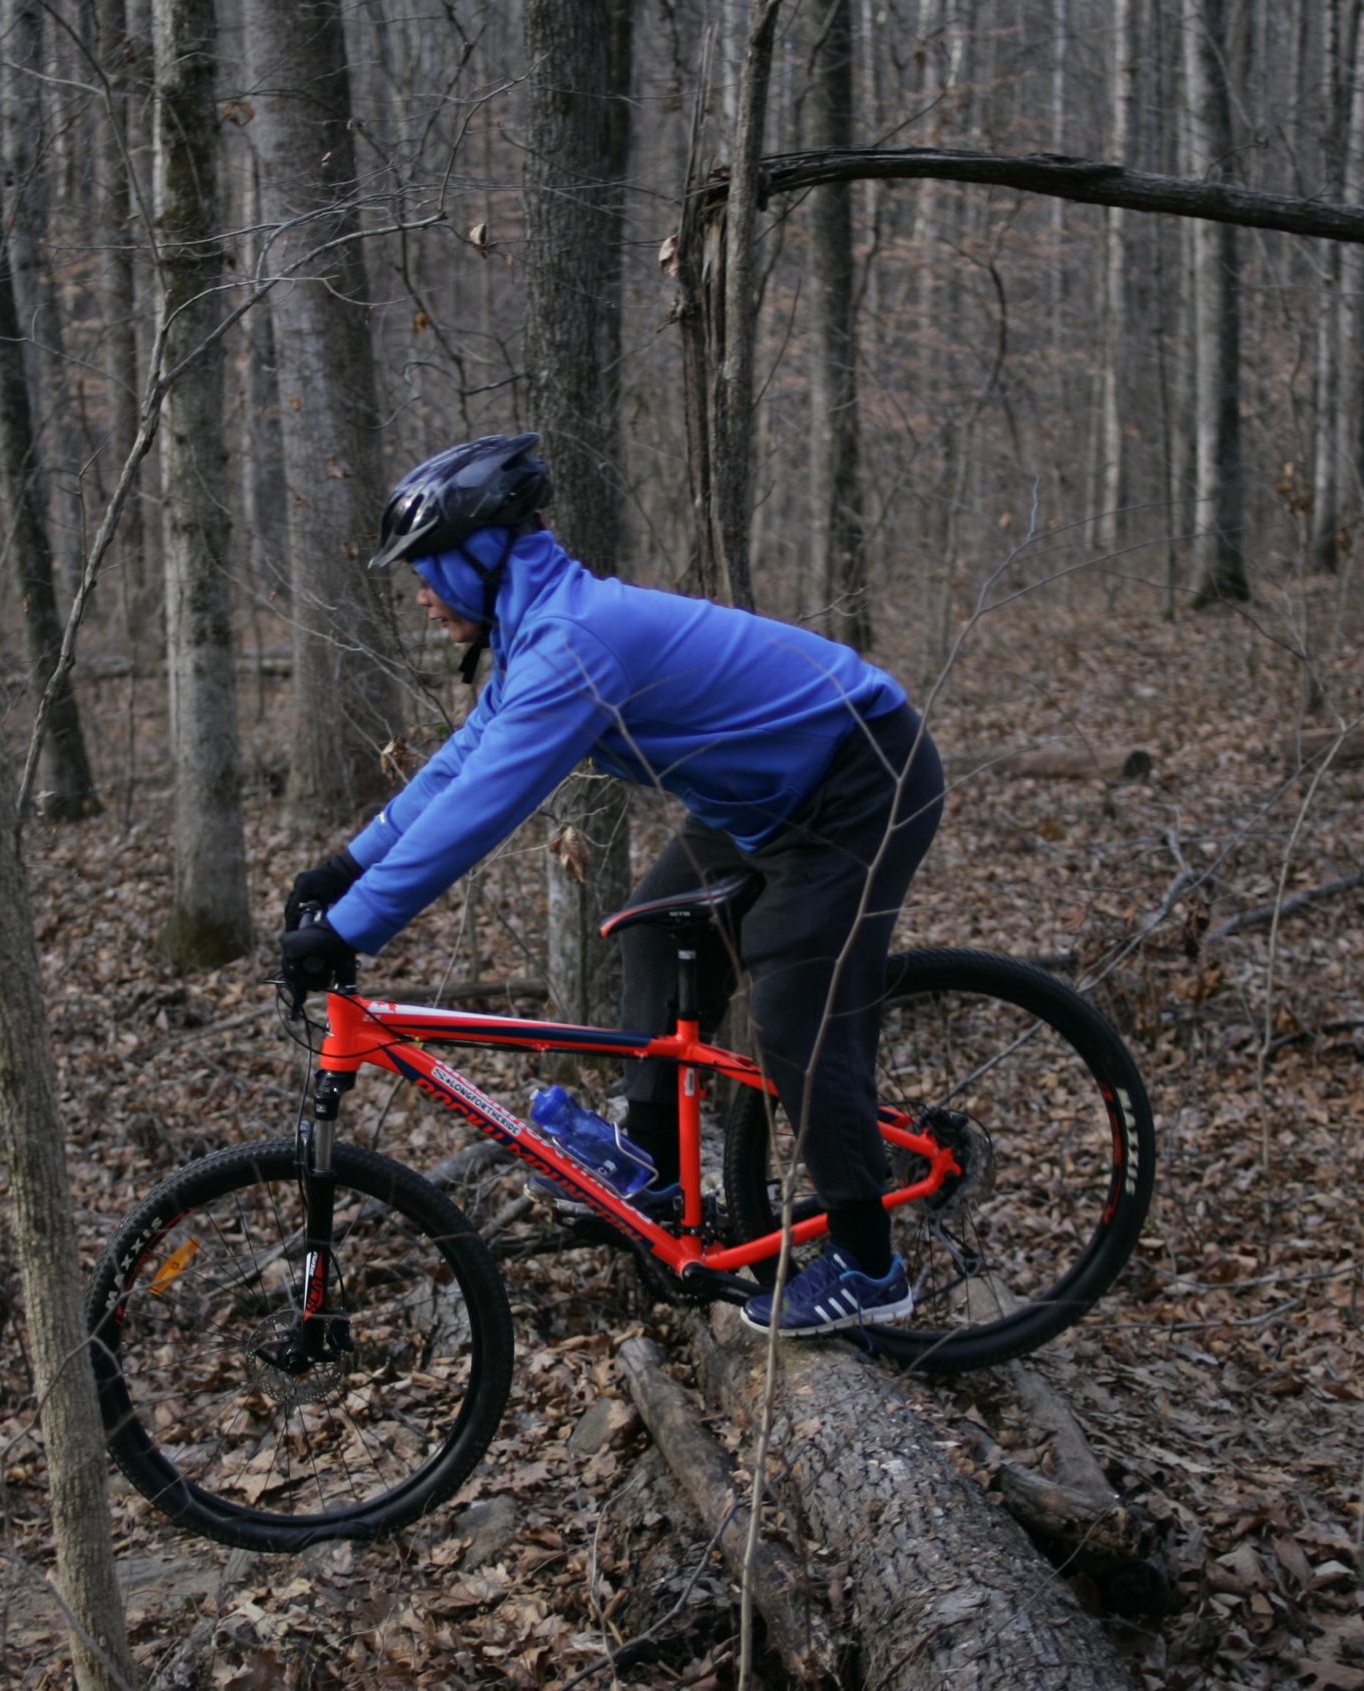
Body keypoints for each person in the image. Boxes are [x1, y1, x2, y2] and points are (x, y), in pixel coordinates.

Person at [278, 433, 944, 1337]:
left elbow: (485, 805)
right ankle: (658, 1171)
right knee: (649, 929)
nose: (422, 597)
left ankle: (872, 1263)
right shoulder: (536, 634)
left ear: (484, 553)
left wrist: (353, 927)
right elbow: (459, 763)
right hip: (759, 798)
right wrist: (344, 867)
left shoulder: (573, 642)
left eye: (427, 571)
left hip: (862, 774)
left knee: (794, 1008)